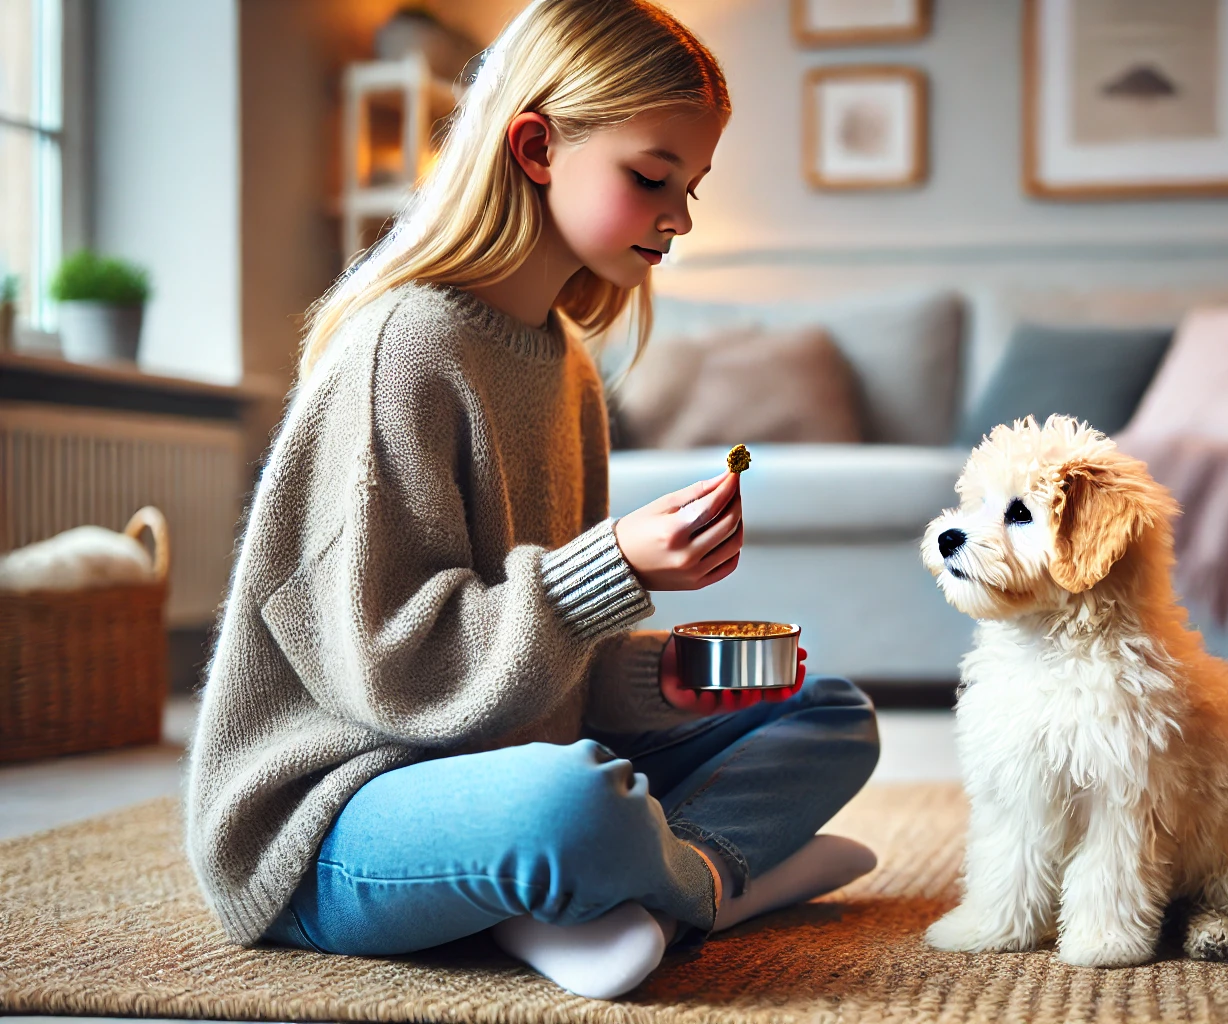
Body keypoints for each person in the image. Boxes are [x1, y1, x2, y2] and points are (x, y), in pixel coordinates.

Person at [183, 0, 879, 1000]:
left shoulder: (564, 365)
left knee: (826, 710)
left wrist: (659, 680)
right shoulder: (404, 347)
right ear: (537, 146)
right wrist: (614, 569)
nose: (680, 218)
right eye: (651, 177)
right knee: (570, 805)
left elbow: (536, 679)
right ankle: (711, 880)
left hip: (491, 751)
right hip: (336, 815)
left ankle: (642, 886)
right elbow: (391, 671)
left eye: (690, 185)